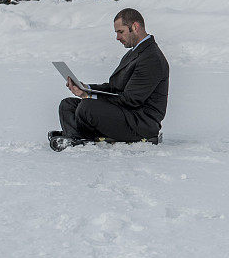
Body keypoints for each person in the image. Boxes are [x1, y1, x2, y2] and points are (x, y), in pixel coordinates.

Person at [49, 8, 169, 151]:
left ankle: (75, 135)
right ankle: (75, 138)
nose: (117, 37)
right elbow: (114, 87)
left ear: (135, 27)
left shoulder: (151, 58)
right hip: (126, 114)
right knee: (68, 105)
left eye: (121, 32)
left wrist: (89, 97)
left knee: (87, 107)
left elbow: (131, 100)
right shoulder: (134, 53)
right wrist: (85, 88)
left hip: (140, 123)